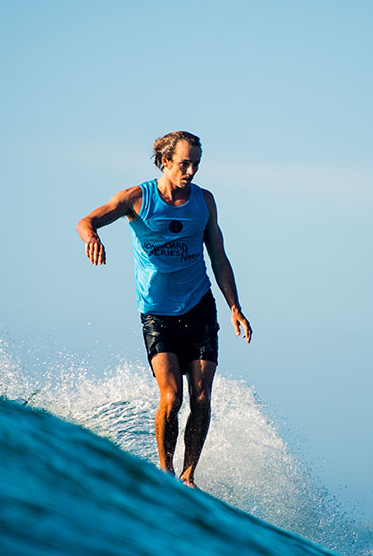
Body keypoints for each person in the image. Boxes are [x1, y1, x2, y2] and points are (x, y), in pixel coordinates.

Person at [77, 131, 252, 489]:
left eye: (196, 164)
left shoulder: (204, 201)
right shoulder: (137, 198)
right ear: (164, 162)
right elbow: (87, 221)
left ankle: (188, 476)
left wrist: (235, 307)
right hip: (157, 313)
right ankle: (165, 470)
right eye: (184, 163)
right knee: (171, 397)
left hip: (200, 306)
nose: (191, 171)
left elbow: (218, 257)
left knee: (201, 397)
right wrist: (92, 237)